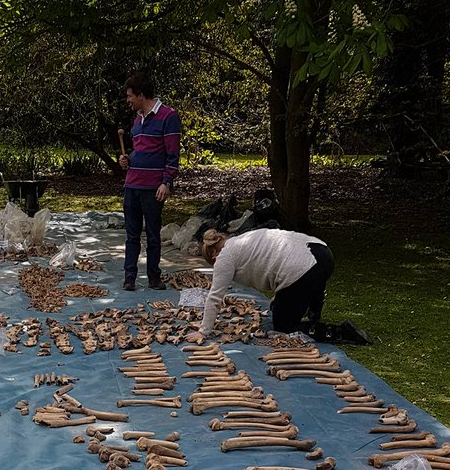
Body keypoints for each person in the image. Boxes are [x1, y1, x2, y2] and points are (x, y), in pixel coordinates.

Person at [187, 227, 336, 344]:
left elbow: (214, 297)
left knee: (283, 327)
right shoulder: (242, 240)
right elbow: (276, 258)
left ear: (213, 254)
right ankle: (314, 312)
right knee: (279, 304)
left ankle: (339, 331)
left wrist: (203, 332)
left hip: (306, 269)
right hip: (323, 252)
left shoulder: (225, 257)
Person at [118, 72, 180, 292]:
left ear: (141, 94)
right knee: (131, 235)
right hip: (132, 185)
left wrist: (167, 182)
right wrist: (128, 159)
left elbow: (173, 155)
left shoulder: (168, 116)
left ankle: (154, 277)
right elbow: (141, 151)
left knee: (153, 234)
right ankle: (129, 278)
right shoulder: (137, 121)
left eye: (130, 96)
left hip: (153, 187)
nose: (128, 100)